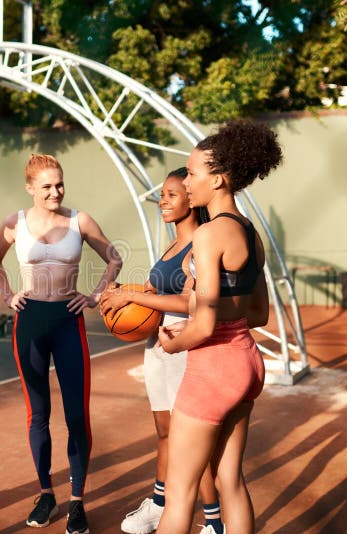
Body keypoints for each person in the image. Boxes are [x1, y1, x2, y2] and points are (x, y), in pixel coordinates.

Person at [155, 120, 280, 534]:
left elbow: (204, 323)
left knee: (179, 491)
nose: (187, 182)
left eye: (192, 173)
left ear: (219, 178)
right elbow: (258, 314)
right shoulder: (250, 233)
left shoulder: (209, 235)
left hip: (213, 367)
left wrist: (172, 345)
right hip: (247, 361)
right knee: (230, 481)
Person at [0, 154, 122, 534]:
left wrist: (94, 296)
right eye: (46, 186)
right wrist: (6, 294)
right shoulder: (15, 222)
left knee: (77, 414)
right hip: (29, 321)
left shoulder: (80, 220)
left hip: (68, 321)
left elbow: (113, 259)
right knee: (38, 414)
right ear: (30, 188)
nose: (55, 191)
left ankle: (77, 501)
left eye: (59, 184)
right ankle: (46, 493)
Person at [99, 168, 224, 534]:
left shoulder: (201, 240)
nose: (163, 202)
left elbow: (194, 301)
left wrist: (132, 296)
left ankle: (214, 520)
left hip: (185, 345)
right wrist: (120, 294)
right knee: (165, 431)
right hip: (158, 346)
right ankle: (159, 503)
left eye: (171, 194)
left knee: (190, 440)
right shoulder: (170, 246)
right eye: (162, 196)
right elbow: (154, 295)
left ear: (190, 197)